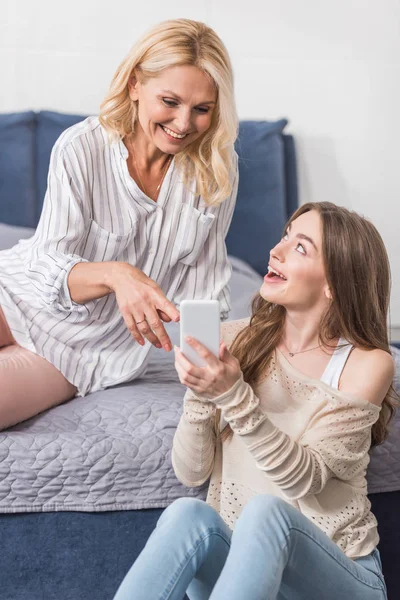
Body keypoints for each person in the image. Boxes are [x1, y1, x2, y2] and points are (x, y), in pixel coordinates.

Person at [113, 202, 396, 600]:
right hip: (245, 577)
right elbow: (191, 473)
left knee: (266, 512)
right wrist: (201, 393)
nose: (275, 251)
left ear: (334, 282)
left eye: (300, 247)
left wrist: (232, 395)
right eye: (284, 237)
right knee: (187, 514)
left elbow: (305, 479)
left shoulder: (367, 363)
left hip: (338, 577)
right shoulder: (235, 341)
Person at [0, 19, 239, 430]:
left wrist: (221, 367)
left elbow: (206, 290)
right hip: (17, 294)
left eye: (202, 109)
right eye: (170, 101)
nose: (183, 124)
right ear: (134, 86)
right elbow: (47, 266)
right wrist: (116, 275)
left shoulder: (216, 170)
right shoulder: (82, 147)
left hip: (79, 350)